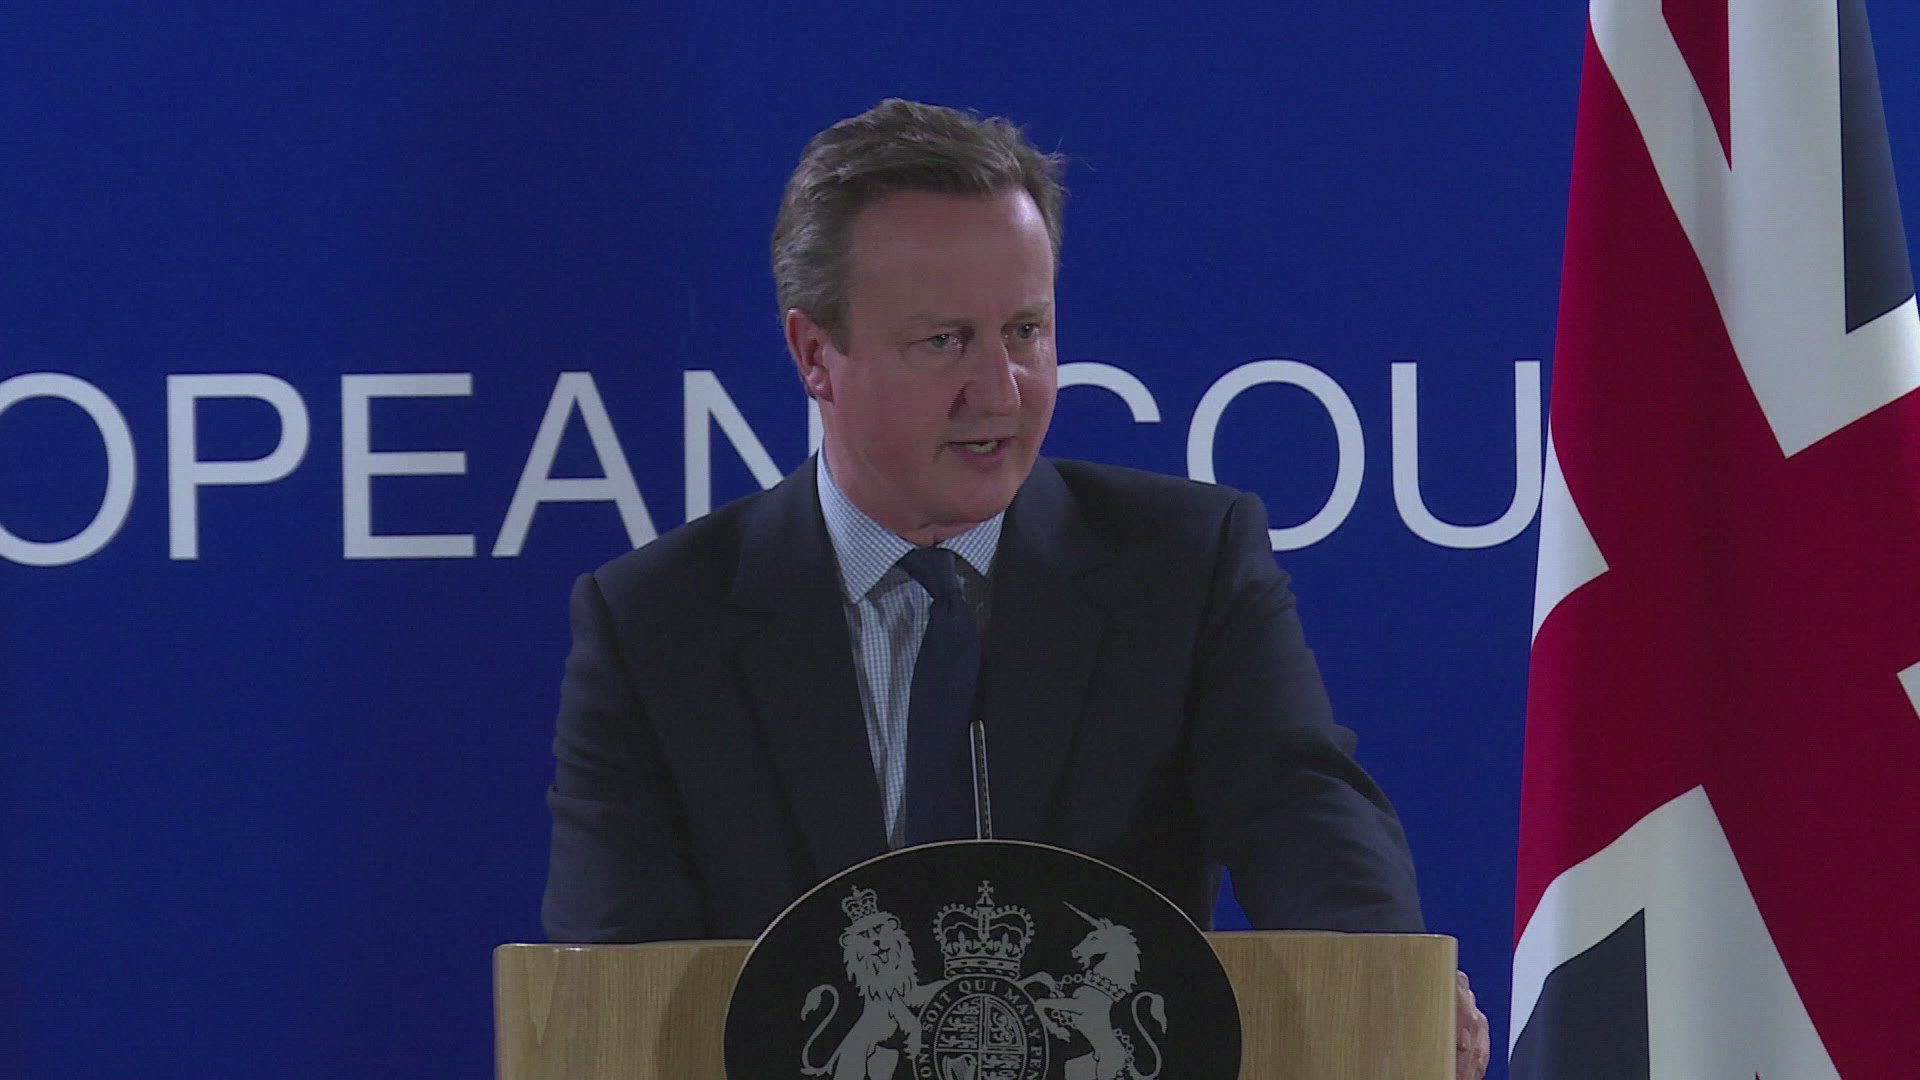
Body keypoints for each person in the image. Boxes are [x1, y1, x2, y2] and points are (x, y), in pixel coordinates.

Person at [541, 98, 1489, 1080]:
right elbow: (619, 993)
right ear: (816, 354)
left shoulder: (1183, 568)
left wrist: (1389, 995)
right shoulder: (656, 627)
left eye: (1026, 330)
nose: (1000, 390)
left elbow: (1309, 823)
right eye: (944, 341)